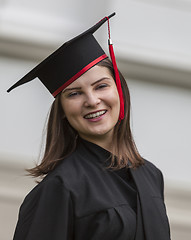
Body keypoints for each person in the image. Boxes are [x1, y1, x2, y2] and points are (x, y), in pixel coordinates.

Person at [7, 13, 171, 240]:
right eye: (74, 93)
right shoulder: (60, 188)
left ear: (119, 90)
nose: (92, 101)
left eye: (101, 86)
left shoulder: (151, 176)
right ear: (63, 111)